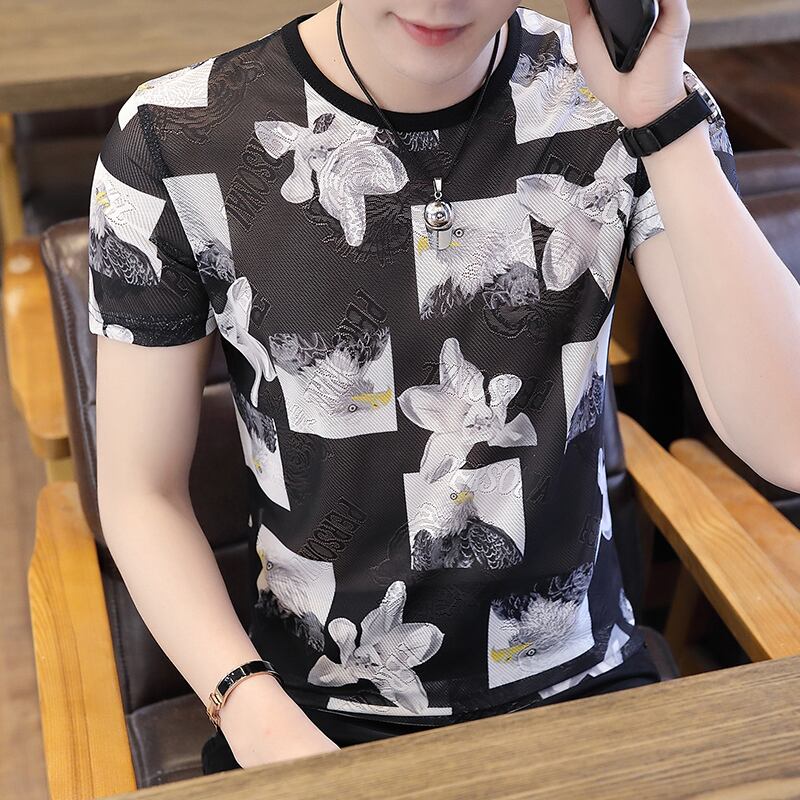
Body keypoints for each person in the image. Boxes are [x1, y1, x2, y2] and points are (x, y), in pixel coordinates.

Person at [88, 0, 759, 776]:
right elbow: (141, 492)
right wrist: (248, 704)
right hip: (310, 711)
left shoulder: (624, 103)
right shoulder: (171, 138)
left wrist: (661, 121)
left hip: (584, 690)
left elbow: (786, 445)